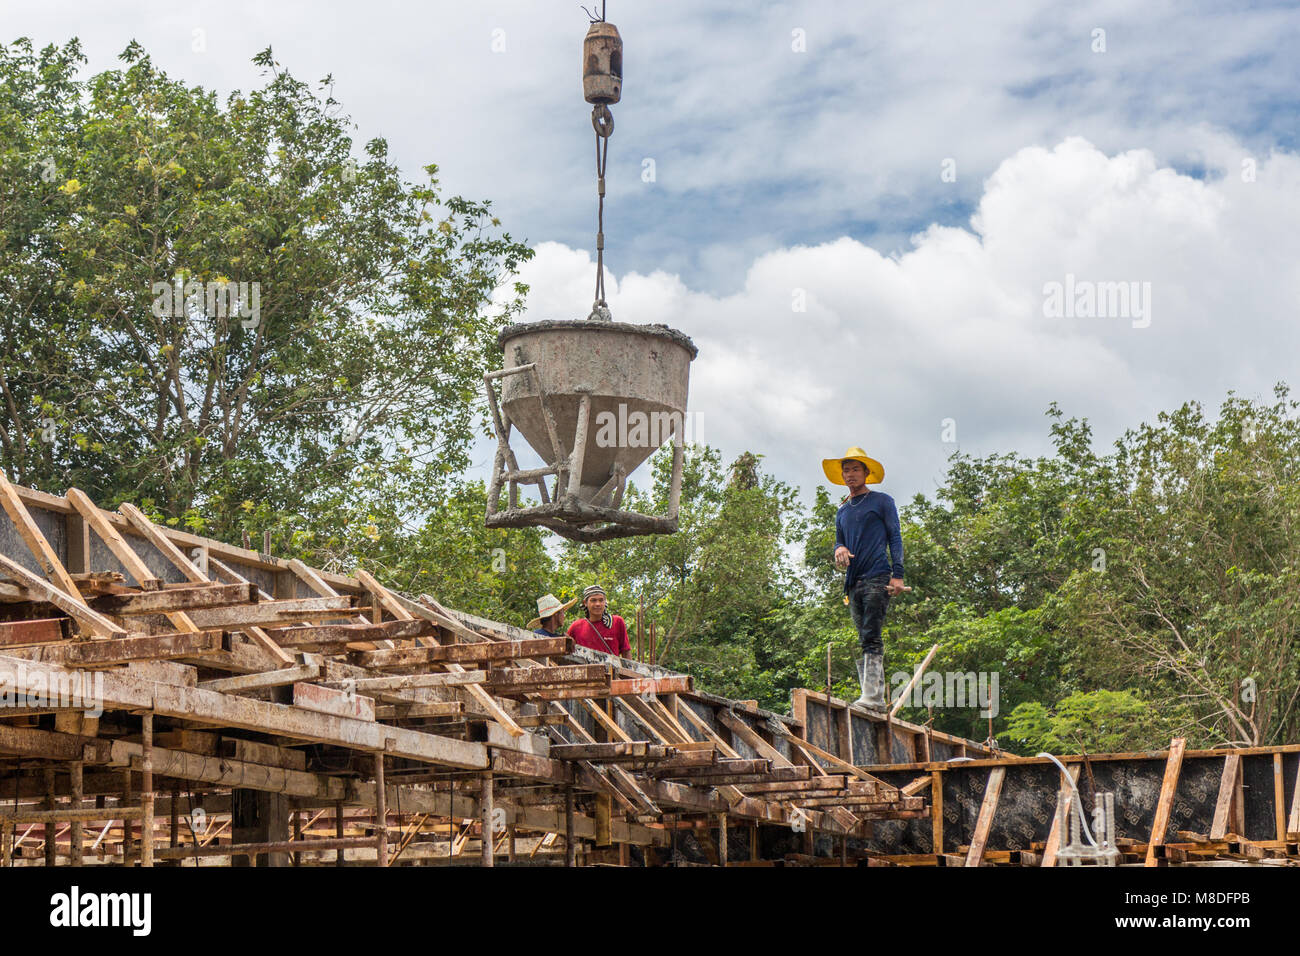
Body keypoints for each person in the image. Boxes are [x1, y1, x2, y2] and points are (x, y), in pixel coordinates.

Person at [823, 446, 904, 713]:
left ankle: (872, 696)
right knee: (863, 636)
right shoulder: (842, 511)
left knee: (871, 634)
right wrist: (839, 549)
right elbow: (839, 541)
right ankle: (872, 698)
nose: (850, 474)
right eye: (846, 470)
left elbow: (894, 536)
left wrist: (898, 574)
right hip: (853, 581)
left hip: (878, 575)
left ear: (866, 472)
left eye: (855, 469)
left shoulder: (882, 501)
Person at [567, 584, 630, 657]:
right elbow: (566, 650)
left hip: (612, 668)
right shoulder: (576, 626)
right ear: (585, 603)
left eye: (601, 600)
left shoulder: (616, 622)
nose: (598, 604)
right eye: (593, 600)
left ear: (605, 602)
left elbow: (626, 651)